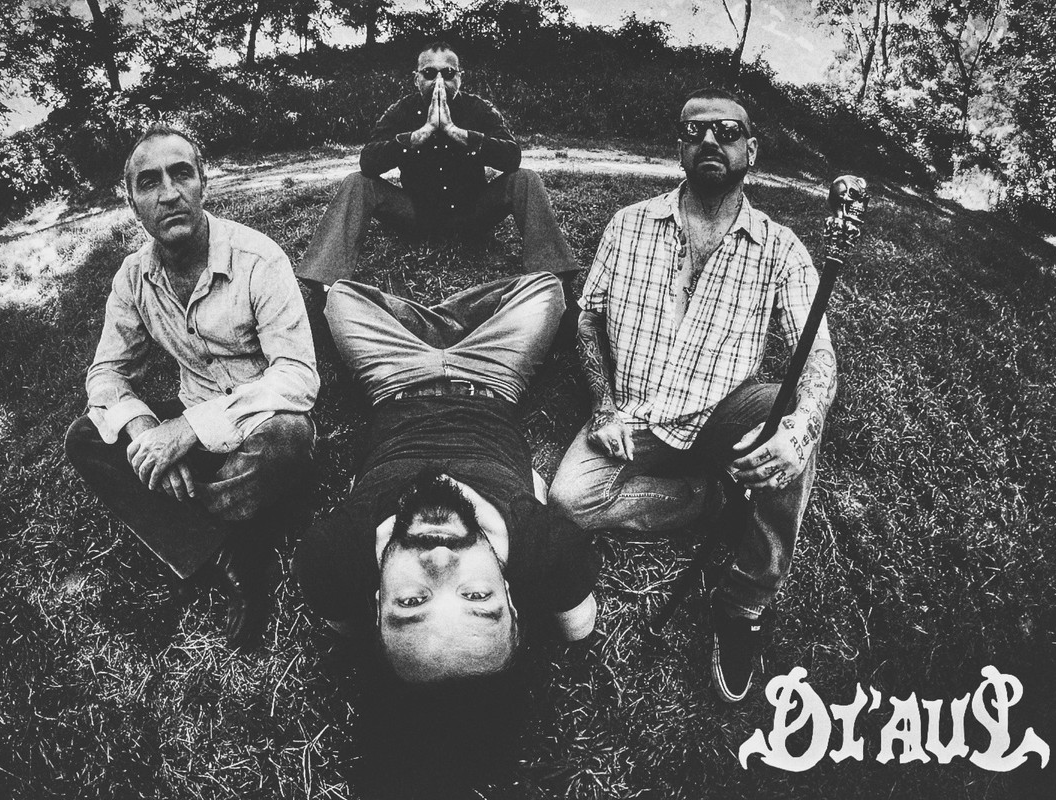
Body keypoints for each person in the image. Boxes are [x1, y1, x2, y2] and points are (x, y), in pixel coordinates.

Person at [548, 88, 838, 702]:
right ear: (679, 147)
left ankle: (745, 601)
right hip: (635, 415)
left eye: (727, 131)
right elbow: (587, 316)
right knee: (568, 502)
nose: (710, 140)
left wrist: (799, 430)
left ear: (751, 151)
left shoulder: (782, 248)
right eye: (694, 130)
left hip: (724, 412)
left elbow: (818, 356)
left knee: (791, 415)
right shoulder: (628, 224)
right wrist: (603, 404)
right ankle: (709, 498)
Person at [64, 123, 319, 650]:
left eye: (182, 174)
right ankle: (231, 550)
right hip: (194, 421)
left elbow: (297, 377)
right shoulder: (132, 278)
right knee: (86, 435)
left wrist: (189, 431)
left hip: (258, 422)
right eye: (149, 182)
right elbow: (106, 374)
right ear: (132, 203)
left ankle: (188, 527)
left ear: (204, 182)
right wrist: (146, 431)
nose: (169, 193)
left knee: (289, 438)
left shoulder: (258, 259)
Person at [292, 271, 600, 684]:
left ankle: (433, 321)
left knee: (339, 298)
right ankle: (447, 320)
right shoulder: (546, 552)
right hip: (492, 374)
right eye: (477, 596)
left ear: (377, 607)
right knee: (547, 288)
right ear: (511, 602)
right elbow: (578, 626)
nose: (439, 559)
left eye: (411, 602)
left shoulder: (336, 557)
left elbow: (342, 621)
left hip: (393, 377)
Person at [296, 41, 578, 291]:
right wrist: (421, 134)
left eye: (449, 73)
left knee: (526, 178)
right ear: (416, 78)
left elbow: (512, 157)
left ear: (460, 78)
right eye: (430, 73)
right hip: (417, 215)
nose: (439, 80)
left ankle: (553, 280)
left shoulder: (479, 108)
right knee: (357, 182)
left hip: (473, 213)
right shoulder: (400, 111)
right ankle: (325, 284)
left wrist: (457, 132)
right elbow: (368, 162)